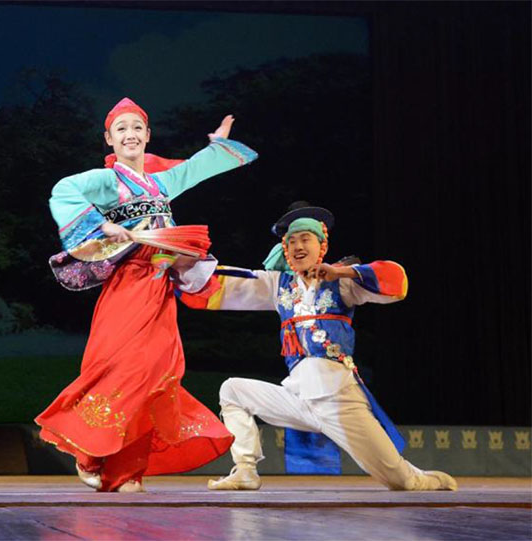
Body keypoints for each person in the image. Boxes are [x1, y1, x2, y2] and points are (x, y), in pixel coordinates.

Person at [35, 98, 258, 492]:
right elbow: (63, 189)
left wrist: (216, 146)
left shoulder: (161, 183)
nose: (130, 135)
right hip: (127, 285)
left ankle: (126, 472)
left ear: (148, 135)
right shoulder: (107, 181)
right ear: (109, 139)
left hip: (160, 288)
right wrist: (101, 225)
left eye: (137, 127)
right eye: (121, 129)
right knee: (122, 369)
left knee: (158, 374)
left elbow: (195, 169)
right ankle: (88, 453)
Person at [177, 202, 456, 491]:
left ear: (321, 246)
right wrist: (179, 263)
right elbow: (224, 282)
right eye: (291, 241)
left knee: (402, 481)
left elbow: (396, 283)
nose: (298, 246)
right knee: (233, 390)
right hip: (297, 398)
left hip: (338, 398)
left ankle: (424, 478)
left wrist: (345, 273)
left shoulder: (342, 284)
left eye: (305, 239)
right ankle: (245, 469)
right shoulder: (279, 285)